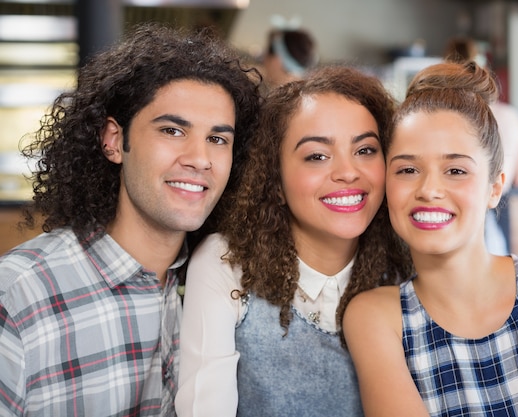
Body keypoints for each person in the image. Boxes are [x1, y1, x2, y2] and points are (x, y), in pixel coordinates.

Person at [0, 23, 261, 416]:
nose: (200, 158)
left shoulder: (225, 283)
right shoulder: (21, 293)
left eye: (218, 139)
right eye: (172, 130)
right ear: (114, 141)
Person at [343, 61, 518, 416]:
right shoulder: (377, 319)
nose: (429, 189)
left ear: (494, 188)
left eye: (456, 170)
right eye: (408, 169)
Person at [176, 65, 412, 417]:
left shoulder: (404, 265)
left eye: (365, 150)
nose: (348, 171)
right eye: (317, 156)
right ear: (275, 180)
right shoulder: (227, 262)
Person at [444, 36, 518, 254]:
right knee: (501, 270)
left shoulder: (449, 116)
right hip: (502, 204)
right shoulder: (511, 116)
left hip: (457, 199)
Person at [259, 27, 318, 92]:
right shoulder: (312, 97)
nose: (264, 60)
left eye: (266, 54)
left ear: (276, 61)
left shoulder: (261, 97)